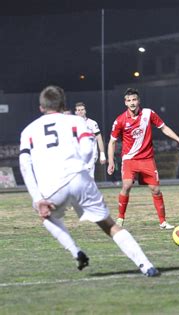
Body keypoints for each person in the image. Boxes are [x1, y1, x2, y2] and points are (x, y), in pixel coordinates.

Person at [19, 85, 158, 276]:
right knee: (109, 225)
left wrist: (37, 198)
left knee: (47, 216)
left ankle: (76, 251)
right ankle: (146, 265)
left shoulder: (29, 131)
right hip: (79, 179)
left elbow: (25, 166)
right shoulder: (76, 121)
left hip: (51, 187)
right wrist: (80, 169)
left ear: (41, 107)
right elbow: (87, 148)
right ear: (63, 105)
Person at [107, 88, 179, 229]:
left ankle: (162, 222)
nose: (132, 103)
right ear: (125, 103)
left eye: (134, 100)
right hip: (129, 159)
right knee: (126, 185)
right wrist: (111, 161)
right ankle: (120, 218)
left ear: (139, 101)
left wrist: (178, 139)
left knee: (155, 190)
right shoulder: (120, 120)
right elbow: (112, 142)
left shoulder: (148, 113)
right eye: (129, 100)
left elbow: (163, 127)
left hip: (147, 159)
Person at [75, 102, 107, 178]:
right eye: (78, 110)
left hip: (90, 155)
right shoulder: (73, 124)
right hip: (78, 155)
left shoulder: (92, 123)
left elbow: (99, 138)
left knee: (89, 177)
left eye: (82, 109)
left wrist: (102, 154)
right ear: (75, 112)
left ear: (85, 111)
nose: (80, 111)